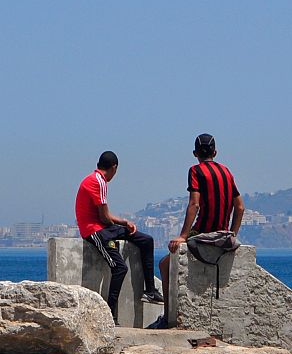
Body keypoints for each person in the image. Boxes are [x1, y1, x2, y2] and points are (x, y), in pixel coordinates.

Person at [152, 134, 245, 328]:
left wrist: (183, 236)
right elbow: (240, 207)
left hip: (202, 232)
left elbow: (194, 204)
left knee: (163, 265)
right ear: (215, 152)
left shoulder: (196, 171)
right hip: (223, 233)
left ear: (195, 153)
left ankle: (168, 318)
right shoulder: (226, 172)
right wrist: (232, 233)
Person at [75, 151, 164, 325]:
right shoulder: (98, 181)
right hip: (94, 231)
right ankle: (110, 315)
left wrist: (125, 223)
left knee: (146, 241)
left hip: (104, 228)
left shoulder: (96, 179)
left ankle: (150, 291)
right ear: (114, 168)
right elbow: (104, 218)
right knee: (119, 268)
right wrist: (120, 225)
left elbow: (105, 215)